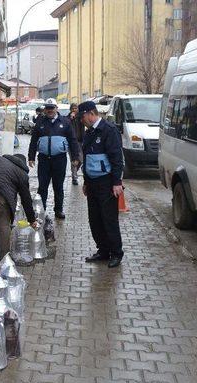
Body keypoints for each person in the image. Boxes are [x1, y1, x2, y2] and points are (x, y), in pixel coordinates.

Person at [78, 101, 125, 268]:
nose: (81, 120)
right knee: (95, 219)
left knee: (109, 219)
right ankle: (103, 250)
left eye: (82, 116)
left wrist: (117, 182)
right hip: (92, 183)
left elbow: (116, 159)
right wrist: (85, 181)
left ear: (91, 113)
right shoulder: (89, 132)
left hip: (107, 183)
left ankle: (116, 253)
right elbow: (88, 159)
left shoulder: (109, 130)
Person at [28, 98, 79, 219]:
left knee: (58, 186)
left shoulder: (65, 122)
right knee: (42, 186)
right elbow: (33, 140)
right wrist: (31, 157)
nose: (50, 110)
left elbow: (73, 140)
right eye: (47, 108)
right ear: (45, 109)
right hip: (44, 159)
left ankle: (58, 210)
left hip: (59, 159)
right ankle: (41, 210)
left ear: (57, 108)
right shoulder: (40, 122)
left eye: (52, 108)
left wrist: (75, 156)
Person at [67, 103, 85, 185]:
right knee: (74, 159)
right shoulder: (68, 118)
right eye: (73, 108)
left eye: (76, 108)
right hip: (71, 142)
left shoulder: (80, 117)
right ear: (70, 110)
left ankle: (74, 173)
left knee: (81, 160)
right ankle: (74, 177)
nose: (74, 110)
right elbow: (66, 125)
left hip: (80, 142)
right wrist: (71, 118)